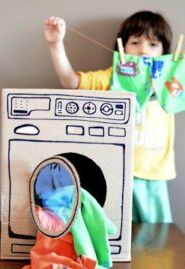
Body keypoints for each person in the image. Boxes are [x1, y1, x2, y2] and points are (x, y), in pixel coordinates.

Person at [44, 11, 175, 223]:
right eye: (135, 42)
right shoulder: (112, 77)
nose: (143, 50)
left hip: (154, 173)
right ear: (122, 48)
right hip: (115, 170)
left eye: (153, 44)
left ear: (165, 52)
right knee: (114, 231)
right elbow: (71, 82)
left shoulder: (171, 81)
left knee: (159, 237)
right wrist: (55, 44)